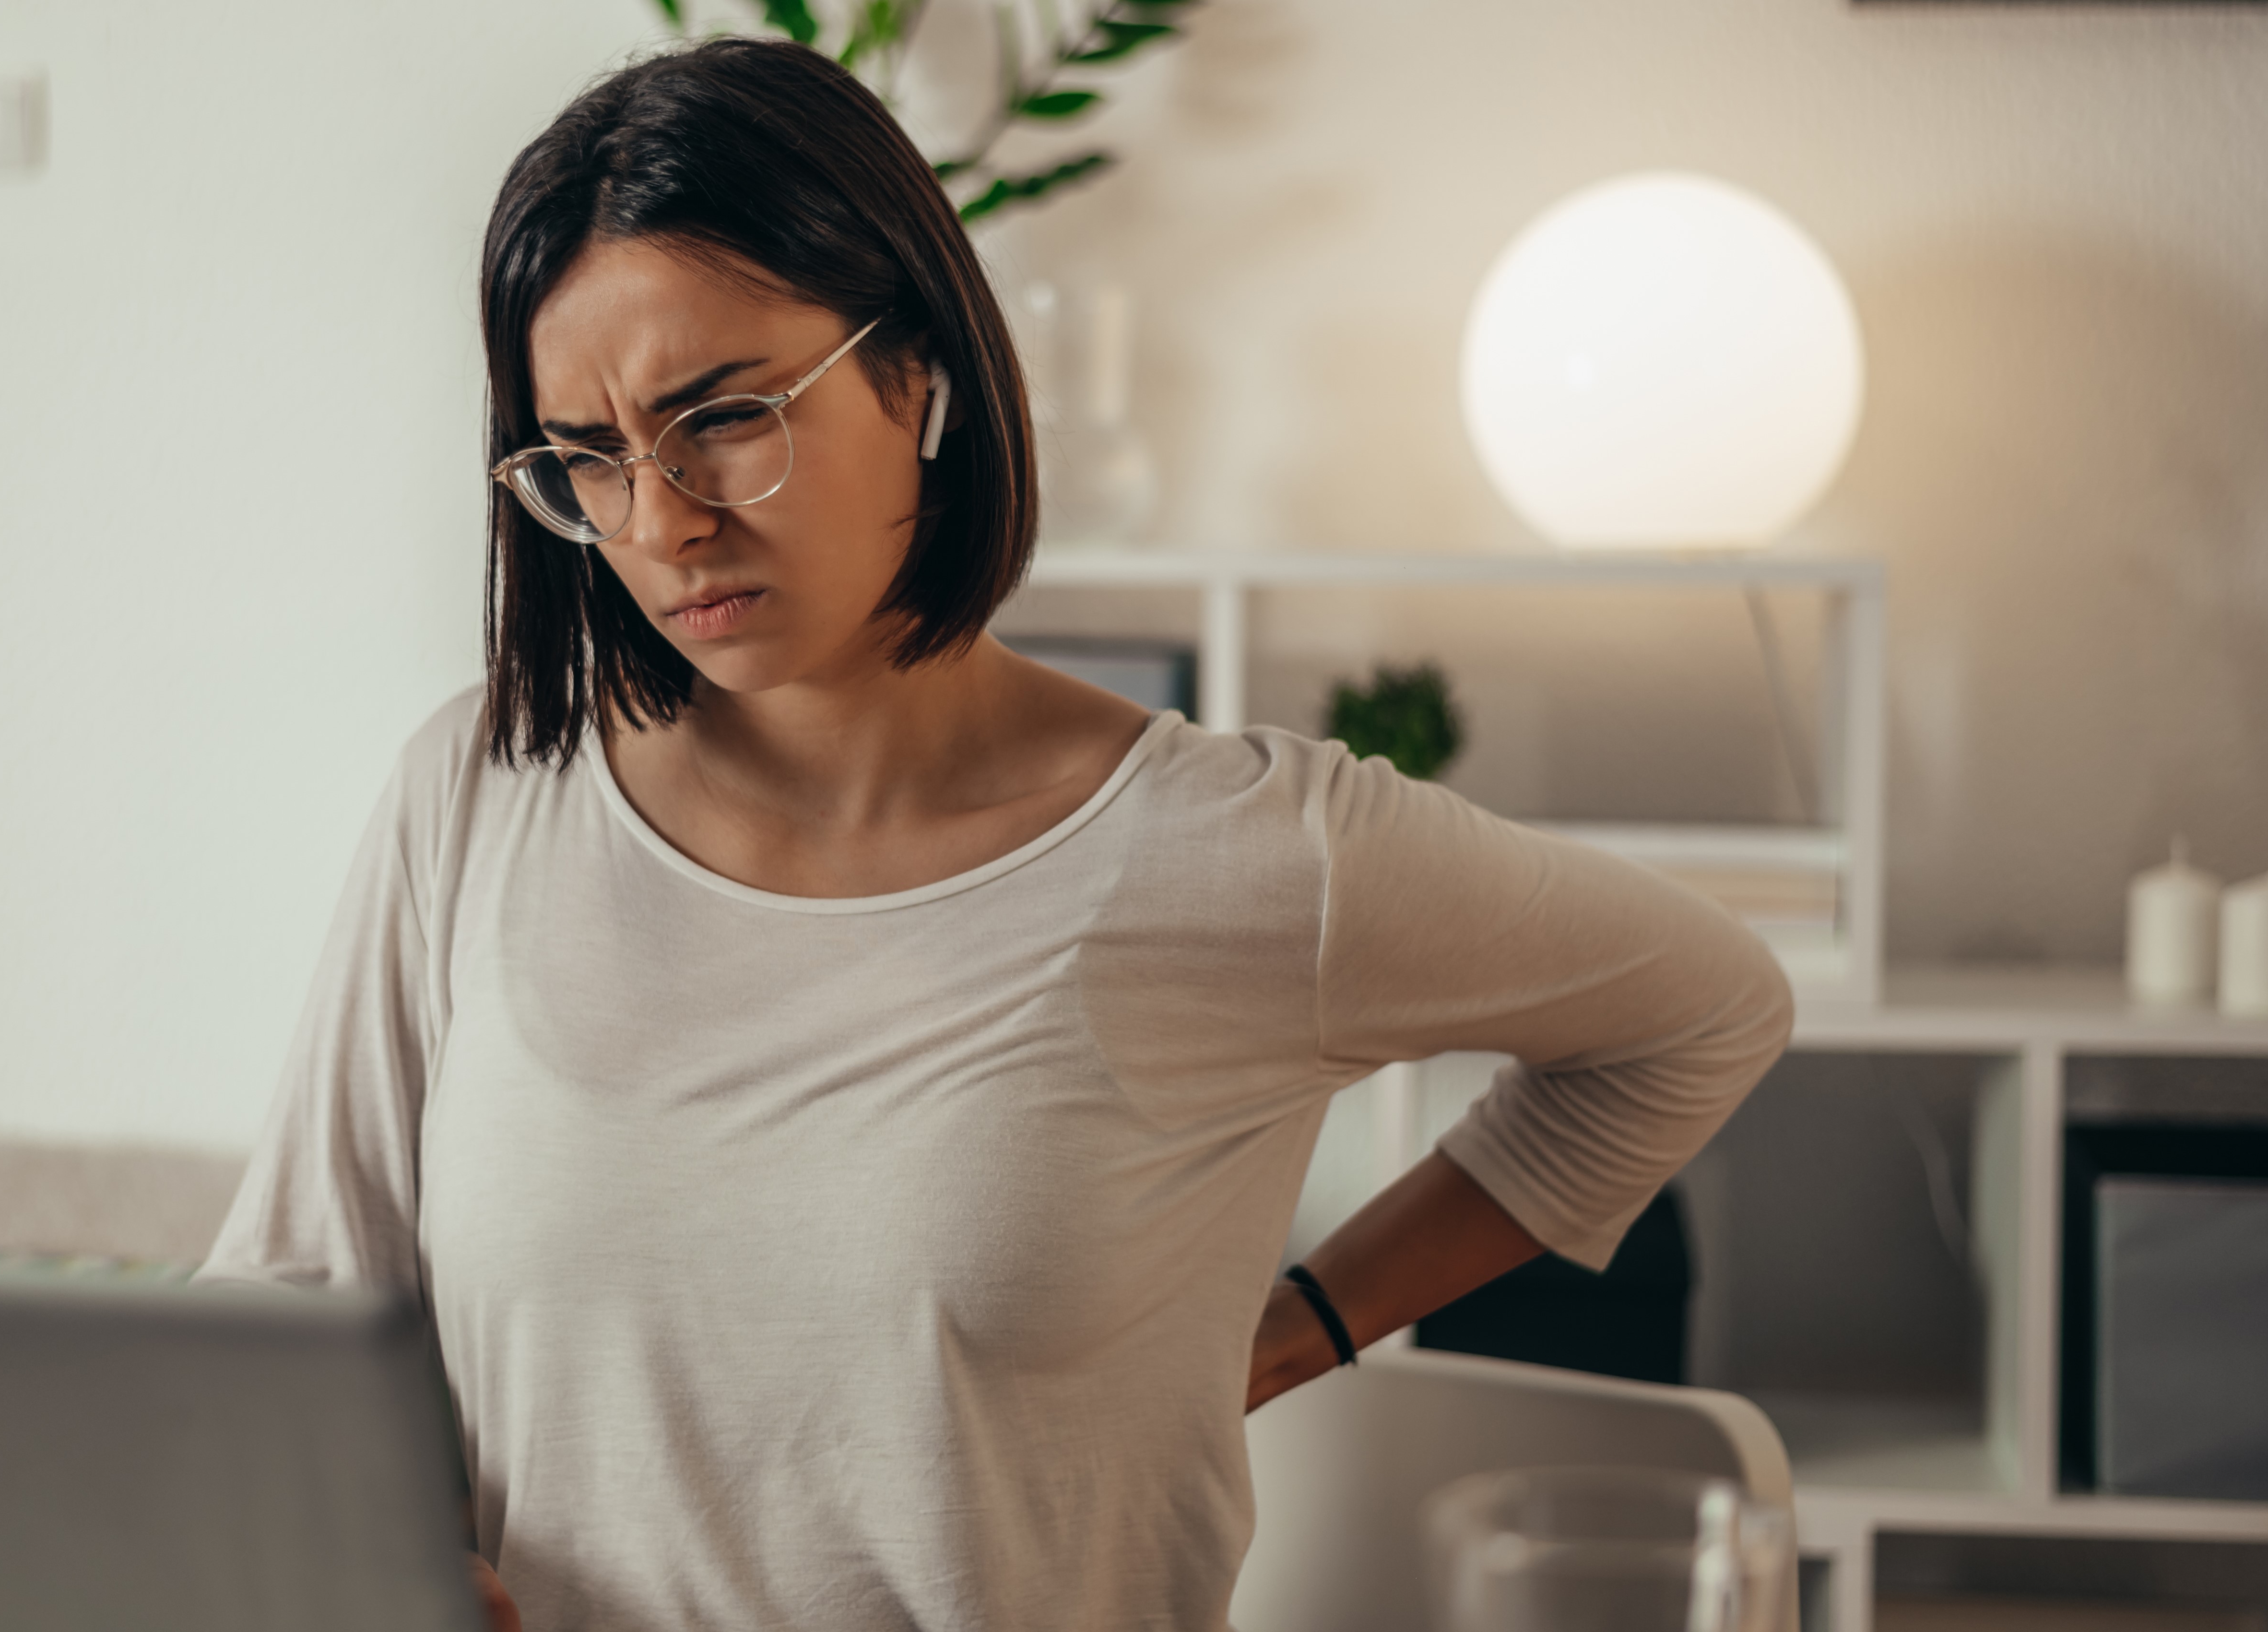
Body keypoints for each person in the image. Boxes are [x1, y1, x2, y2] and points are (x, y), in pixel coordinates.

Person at [200, 36, 1793, 1632]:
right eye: (592, 459)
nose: (663, 521)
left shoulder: (1239, 855)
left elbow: (1708, 1008)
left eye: (725, 417)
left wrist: (1301, 1323)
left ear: (923, 376)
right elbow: (284, 1311)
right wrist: (377, 1563)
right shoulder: (482, 789)